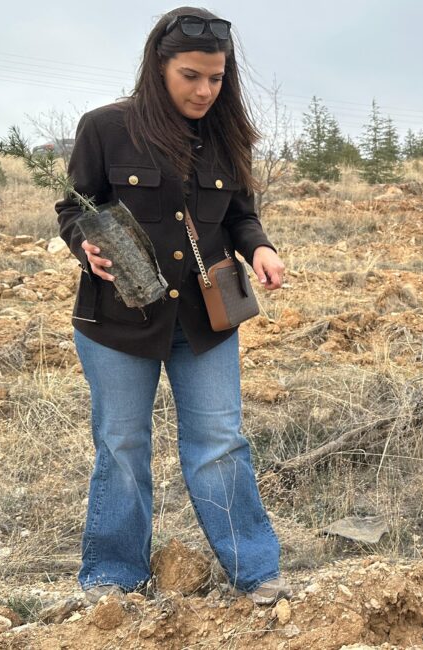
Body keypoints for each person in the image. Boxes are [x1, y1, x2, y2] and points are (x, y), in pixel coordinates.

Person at [55, 7, 289, 606]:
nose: (205, 90)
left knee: (220, 443)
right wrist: (87, 248)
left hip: (205, 324)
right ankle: (113, 579)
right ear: (159, 67)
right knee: (121, 445)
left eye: (215, 77)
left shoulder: (227, 135)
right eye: (191, 75)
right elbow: (73, 209)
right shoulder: (105, 128)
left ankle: (257, 574)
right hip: (117, 322)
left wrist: (259, 249)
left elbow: (241, 215)